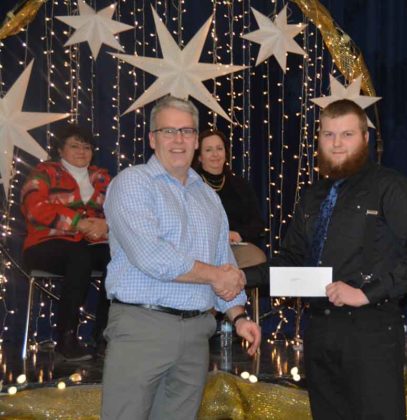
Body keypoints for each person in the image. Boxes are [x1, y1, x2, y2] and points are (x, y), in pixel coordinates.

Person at [244, 99, 407, 419]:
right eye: (328, 134)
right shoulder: (313, 196)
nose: (336, 143)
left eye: (347, 134)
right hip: (318, 331)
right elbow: (291, 260)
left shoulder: (392, 187)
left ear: (365, 138)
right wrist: (242, 277)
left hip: (371, 331)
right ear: (319, 139)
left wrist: (366, 293)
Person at [101, 96, 261, 419]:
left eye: (187, 131)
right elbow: (152, 256)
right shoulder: (132, 183)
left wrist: (238, 316)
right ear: (152, 138)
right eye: (169, 131)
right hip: (142, 329)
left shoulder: (208, 196)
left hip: (197, 334)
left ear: (196, 140)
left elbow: (223, 258)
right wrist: (216, 276)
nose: (178, 140)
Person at [21, 123, 110, 361]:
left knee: (119, 259)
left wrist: (106, 225)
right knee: (78, 256)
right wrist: (78, 222)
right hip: (45, 244)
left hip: (91, 243)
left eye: (87, 147)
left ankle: (104, 336)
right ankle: (65, 339)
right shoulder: (44, 172)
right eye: (75, 146)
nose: (82, 151)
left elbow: (121, 210)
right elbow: (34, 208)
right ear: (60, 150)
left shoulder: (102, 177)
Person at [194, 129, 266, 268]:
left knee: (256, 258)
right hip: (201, 248)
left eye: (219, 149)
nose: (215, 154)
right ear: (199, 157)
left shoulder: (241, 186)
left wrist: (238, 234)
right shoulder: (191, 185)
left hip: (234, 247)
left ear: (225, 153)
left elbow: (257, 224)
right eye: (208, 150)